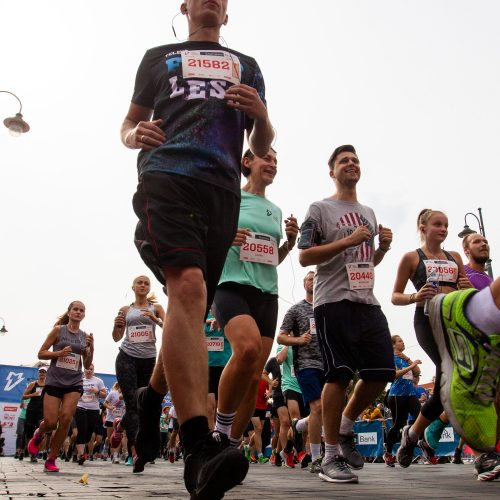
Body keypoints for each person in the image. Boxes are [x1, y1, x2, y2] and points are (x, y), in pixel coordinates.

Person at [121, 0, 273, 495]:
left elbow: (263, 138)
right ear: (184, 7)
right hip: (168, 176)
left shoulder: (246, 66)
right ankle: (197, 449)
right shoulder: (158, 56)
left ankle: (151, 398)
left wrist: (261, 115)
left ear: (226, 13)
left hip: (222, 191)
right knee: (185, 286)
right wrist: (133, 135)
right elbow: (127, 125)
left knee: (192, 300)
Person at [299, 144, 395, 484]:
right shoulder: (320, 208)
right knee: (338, 374)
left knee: (383, 370)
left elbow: (367, 262)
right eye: (344, 161)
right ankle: (328, 457)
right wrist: (348, 239)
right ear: (332, 171)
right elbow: (305, 257)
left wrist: (380, 248)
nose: (351, 164)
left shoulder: (368, 211)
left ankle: (344, 425)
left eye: (355, 160)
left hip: (366, 301)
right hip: (333, 301)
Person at [212, 148, 298, 455]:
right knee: (246, 350)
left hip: (266, 294)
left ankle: (232, 447)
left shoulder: (274, 209)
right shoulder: (230, 197)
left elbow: (270, 259)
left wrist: (288, 243)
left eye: (276, 160)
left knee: (252, 378)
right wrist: (224, 237)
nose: (273, 164)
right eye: (267, 158)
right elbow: (205, 239)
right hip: (230, 286)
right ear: (247, 162)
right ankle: (220, 430)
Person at [391, 209, 472, 468]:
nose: (443, 229)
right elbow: (395, 296)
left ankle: (412, 434)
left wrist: (466, 288)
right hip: (426, 320)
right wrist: (416, 296)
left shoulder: (455, 257)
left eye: (446, 225)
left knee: (442, 390)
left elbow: (465, 286)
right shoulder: (412, 258)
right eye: (438, 224)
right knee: (448, 372)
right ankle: (481, 454)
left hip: (454, 320)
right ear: (423, 227)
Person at [428, 277, 500, 480]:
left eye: (485, 241)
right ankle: (424, 431)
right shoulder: (465, 269)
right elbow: (396, 296)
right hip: (458, 326)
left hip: (482, 340)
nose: (483, 243)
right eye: (477, 241)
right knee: (438, 399)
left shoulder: (484, 277)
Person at [27, 301, 94, 472]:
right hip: (55, 381)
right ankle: (39, 433)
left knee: (65, 419)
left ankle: (51, 459)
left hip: (74, 382)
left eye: (82, 310)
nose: (78, 312)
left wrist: (91, 349)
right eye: (75, 309)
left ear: (84, 315)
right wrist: (58, 353)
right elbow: (41, 352)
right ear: (69, 312)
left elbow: (87, 365)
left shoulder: (84, 336)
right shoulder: (59, 330)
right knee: (50, 423)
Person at [112, 275, 164, 468]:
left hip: (149, 361)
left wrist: (156, 320)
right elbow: (117, 337)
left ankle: (121, 425)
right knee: (133, 404)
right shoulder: (126, 310)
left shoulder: (156, 308)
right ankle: (135, 452)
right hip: (127, 357)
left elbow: (170, 327)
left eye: (146, 283)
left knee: (146, 406)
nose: (143, 285)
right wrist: (116, 326)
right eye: (139, 282)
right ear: (133, 287)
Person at [278, 271, 325, 473]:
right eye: (308, 278)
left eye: (316, 277)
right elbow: (281, 337)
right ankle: (315, 458)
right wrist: (297, 340)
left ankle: (298, 428)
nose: (313, 280)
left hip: (329, 365)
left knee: (323, 411)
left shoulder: (328, 308)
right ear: (304, 283)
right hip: (305, 364)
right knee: (318, 408)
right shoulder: (296, 310)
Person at [383, 335, 422, 467]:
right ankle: (388, 453)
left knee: (420, 417)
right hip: (396, 396)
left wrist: (408, 360)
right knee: (397, 424)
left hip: (410, 394)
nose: (403, 342)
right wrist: (411, 366)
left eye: (403, 340)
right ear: (393, 345)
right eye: (400, 341)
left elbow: (417, 371)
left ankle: (415, 442)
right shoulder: (391, 358)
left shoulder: (404, 359)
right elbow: (395, 374)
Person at [205, 309, 232, 430]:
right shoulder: (202, 314)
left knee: (219, 408)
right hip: (207, 368)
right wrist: (205, 321)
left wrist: (223, 324)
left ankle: (219, 434)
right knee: (210, 408)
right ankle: (211, 435)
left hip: (224, 367)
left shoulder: (226, 314)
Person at [74, 364, 107, 464]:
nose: (89, 371)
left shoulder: (98, 381)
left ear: (93, 370)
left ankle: (81, 451)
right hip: (80, 407)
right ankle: (81, 454)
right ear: (84, 370)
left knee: (89, 433)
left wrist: (97, 391)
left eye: (91, 369)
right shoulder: (80, 380)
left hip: (93, 409)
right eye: (87, 369)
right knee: (82, 430)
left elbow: (104, 394)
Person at [23, 367, 47, 462]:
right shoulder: (33, 384)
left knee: (41, 432)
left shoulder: (48, 385)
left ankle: (39, 452)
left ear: (46, 374)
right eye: (40, 372)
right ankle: (32, 454)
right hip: (31, 410)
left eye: (44, 372)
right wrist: (33, 395)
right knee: (29, 432)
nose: (42, 374)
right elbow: (24, 396)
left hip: (42, 411)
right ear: (38, 374)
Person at [103, 382, 126, 464]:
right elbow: (105, 403)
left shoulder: (127, 394)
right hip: (111, 418)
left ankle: (115, 456)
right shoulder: (113, 393)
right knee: (110, 438)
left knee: (118, 437)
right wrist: (110, 407)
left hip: (121, 419)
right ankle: (106, 447)